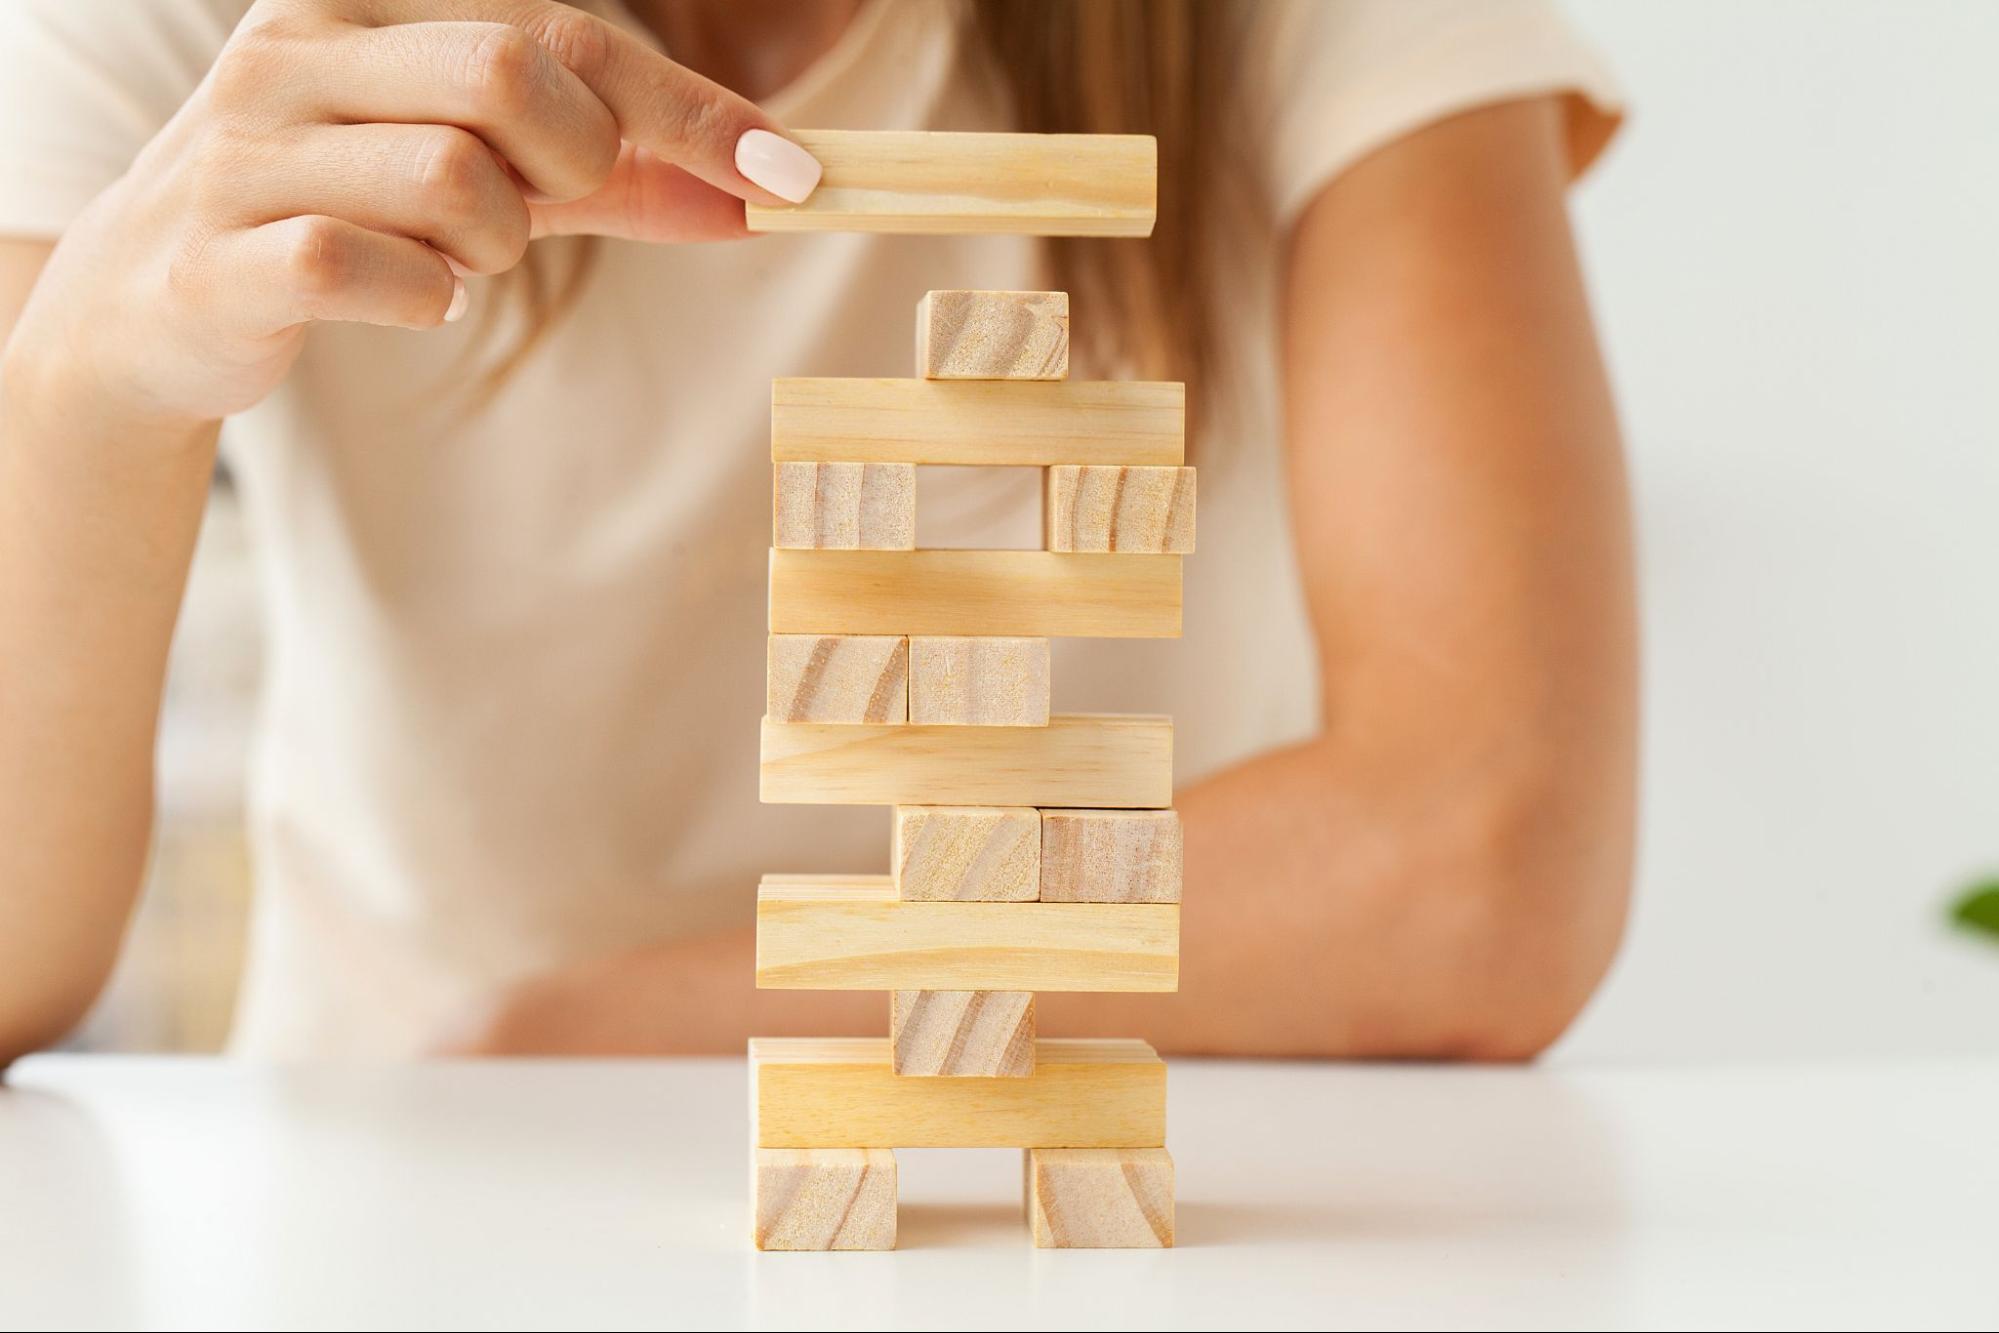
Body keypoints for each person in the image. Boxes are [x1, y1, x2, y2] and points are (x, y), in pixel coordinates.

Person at [0, 0, 1637, 1063]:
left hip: (1102, 1151)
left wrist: (586, 1028)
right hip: (414, 1192)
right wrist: (85, 386)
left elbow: (1481, 859)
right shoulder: (165, 30)